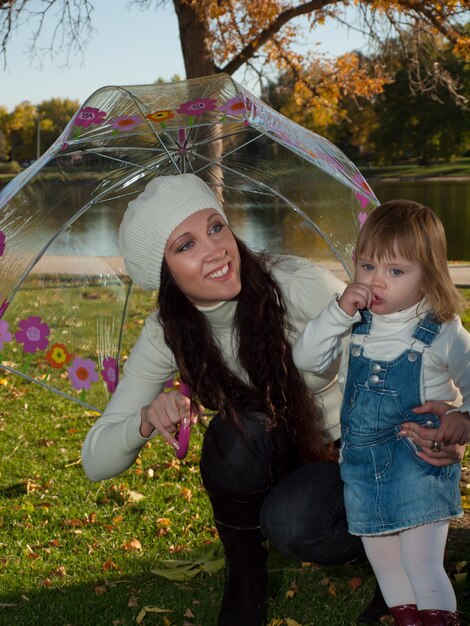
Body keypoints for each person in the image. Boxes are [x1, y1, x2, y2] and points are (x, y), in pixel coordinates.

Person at [81, 178, 466, 626]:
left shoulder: (295, 284)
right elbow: (96, 460)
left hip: (366, 458)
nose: (215, 250)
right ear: (163, 270)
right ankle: (246, 573)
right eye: (186, 245)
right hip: (286, 459)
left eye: (216, 227)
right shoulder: (166, 333)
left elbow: (405, 347)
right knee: (235, 432)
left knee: (294, 520)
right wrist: (145, 419)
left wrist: (450, 421)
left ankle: (394, 563)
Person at [293, 200, 470, 626]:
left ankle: (439, 617)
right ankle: (406, 617)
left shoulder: (440, 328)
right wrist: (337, 313)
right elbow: (306, 357)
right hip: (362, 463)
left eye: (395, 271)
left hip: (417, 461)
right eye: (368, 266)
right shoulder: (355, 322)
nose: (376, 281)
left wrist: (464, 416)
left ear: (427, 276)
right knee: (385, 559)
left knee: (421, 561)